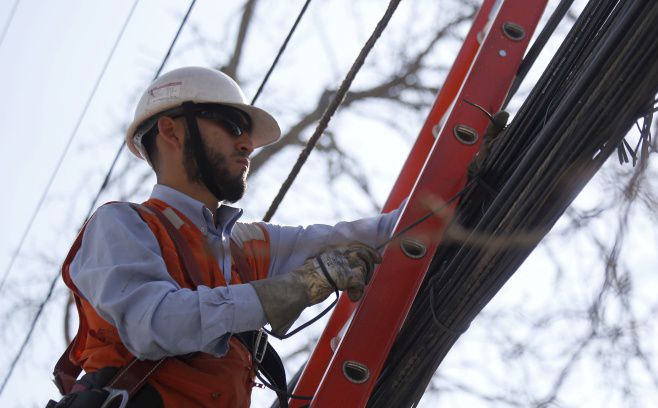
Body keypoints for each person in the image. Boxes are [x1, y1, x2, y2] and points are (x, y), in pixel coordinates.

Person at [49, 66, 398, 407]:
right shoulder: (123, 225)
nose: (246, 144)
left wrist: (438, 211)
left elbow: (367, 236)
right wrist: (293, 289)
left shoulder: (246, 249)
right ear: (172, 131)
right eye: (232, 126)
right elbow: (154, 323)